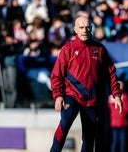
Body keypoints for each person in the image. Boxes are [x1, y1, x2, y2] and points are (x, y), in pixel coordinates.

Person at [50, 16, 123, 152]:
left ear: (91, 29)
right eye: (82, 27)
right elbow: (56, 75)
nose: (85, 30)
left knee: (89, 138)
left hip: (92, 99)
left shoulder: (99, 49)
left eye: (88, 27)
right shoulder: (68, 49)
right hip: (72, 96)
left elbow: (111, 72)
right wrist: (58, 96)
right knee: (64, 125)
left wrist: (116, 94)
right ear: (75, 30)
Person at [108, 80, 128, 152]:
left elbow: (109, 109)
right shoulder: (125, 96)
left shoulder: (110, 97)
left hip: (114, 122)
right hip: (122, 121)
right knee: (122, 142)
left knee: (114, 141)